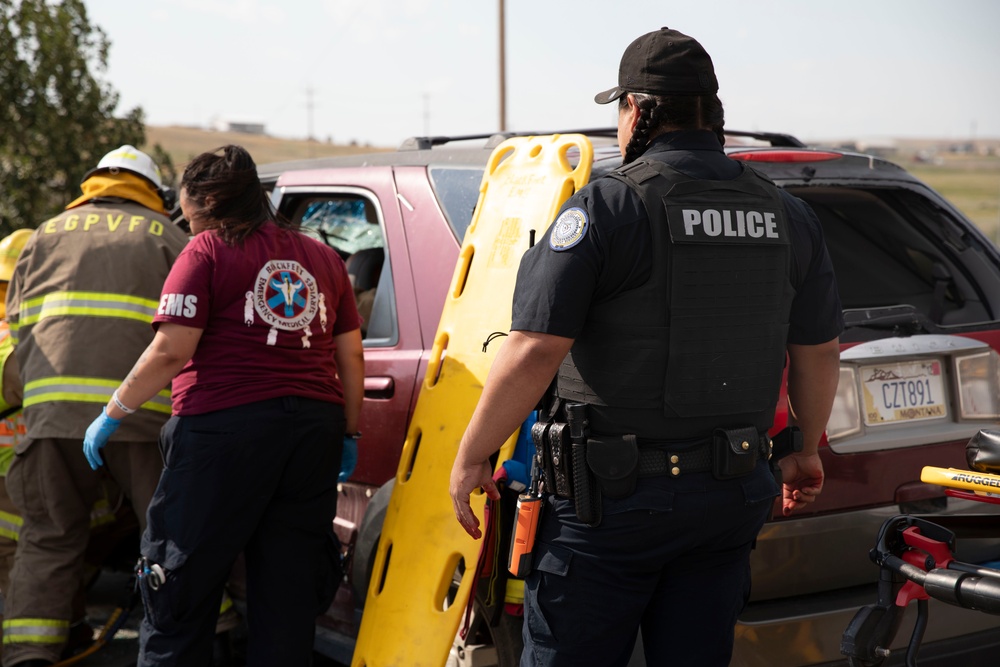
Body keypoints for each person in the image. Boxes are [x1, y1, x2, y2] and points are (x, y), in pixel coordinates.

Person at [449, 27, 843, 667]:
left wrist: (471, 455)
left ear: (635, 109)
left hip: (610, 506)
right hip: (730, 496)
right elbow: (819, 351)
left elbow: (533, 349)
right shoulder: (788, 216)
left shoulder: (606, 208)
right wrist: (803, 448)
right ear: (711, 112)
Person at [81, 144, 365, 667]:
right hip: (312, 438)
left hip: (223, 433)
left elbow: (171, 349)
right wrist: (348, 431)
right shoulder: (324, 258)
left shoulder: (207, 251)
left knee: (178, 588)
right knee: (288, 597)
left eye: (188, 213)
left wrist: (113, 411)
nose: (186, 224)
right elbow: (350, 353)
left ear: (206, 201)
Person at [2, 146, 191, 667]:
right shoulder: (170, 238)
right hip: (139, 413)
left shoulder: (43, 235)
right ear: (152, 191)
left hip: (51, 413)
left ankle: (28, 653)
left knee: (48, 536)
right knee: (172, 531)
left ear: (94, 183)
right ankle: (211, 634)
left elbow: (17, 324)